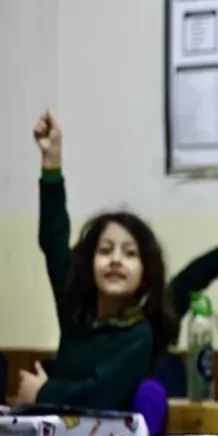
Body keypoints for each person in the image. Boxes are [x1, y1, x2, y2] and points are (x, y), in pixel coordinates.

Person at [8, 110, 178, 411]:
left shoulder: (138, 335)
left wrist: (44, 392)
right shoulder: (76, 311)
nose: (115, 260)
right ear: (89, 263)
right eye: (105, 250)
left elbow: (99, 394)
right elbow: (54, 241)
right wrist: (51, 165)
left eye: (129, 253)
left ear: (145, 272)